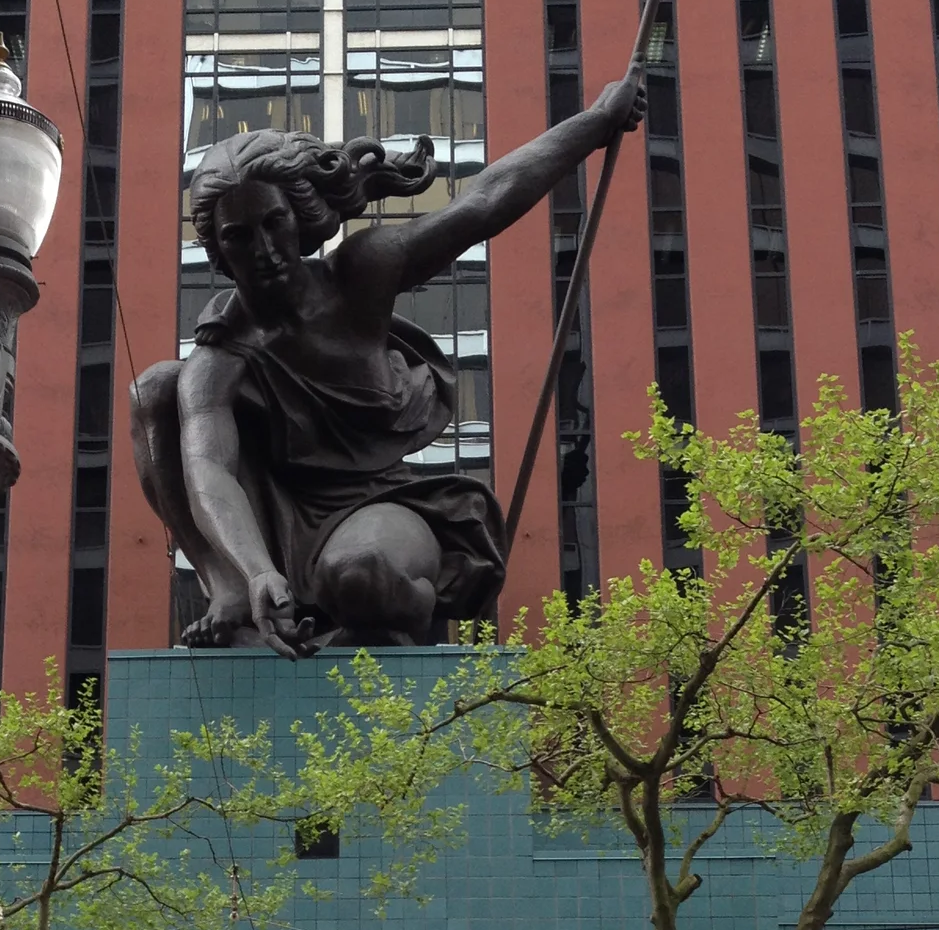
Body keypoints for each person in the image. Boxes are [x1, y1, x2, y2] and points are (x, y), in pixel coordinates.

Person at [130, 67, 646, 654]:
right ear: (219, 249)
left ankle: (395, 614)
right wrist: (255, 572)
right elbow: (210, 471)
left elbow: (484, 201)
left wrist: (597, 122)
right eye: (239, 236)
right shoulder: (220, 355)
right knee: (156, 388)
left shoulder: (361, 273)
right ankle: (228, 592)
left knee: (361, 577)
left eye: (274, 223)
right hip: (272, 522)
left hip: (378, 505)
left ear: (301, 215)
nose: (265, 250)